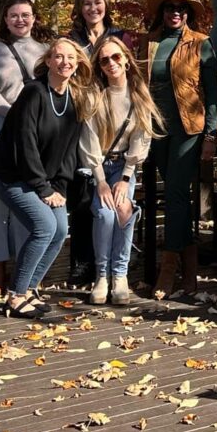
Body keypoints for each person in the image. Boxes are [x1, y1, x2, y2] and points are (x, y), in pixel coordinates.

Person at [0, 38, 95, 318]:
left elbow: (69, 150)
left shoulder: (75, 98)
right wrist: (43, 189)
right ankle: (15, 296)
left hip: (42, 179)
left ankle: (30, 289)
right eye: (58, 56)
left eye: (71, 57)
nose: (65, 62)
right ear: (48, 61)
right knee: (44, 226)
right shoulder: (34, 92)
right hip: (9, 173)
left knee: (60, 230)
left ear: (78, 63)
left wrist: (60, 187)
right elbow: (25, 143)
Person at [137, 0, 217, 298]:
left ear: (188, 14)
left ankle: (168, 270)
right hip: (155, 128)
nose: (175, 12)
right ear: (162, 11)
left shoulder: (202, 43)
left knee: (174, 192)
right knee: (177, 199)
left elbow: (212, 94)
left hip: (189, 128)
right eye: (170, 7)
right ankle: (190, 269)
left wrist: (210, 134)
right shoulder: (148, 43)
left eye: (181, 8)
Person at [0, 0, 54, 294]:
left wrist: (30, 120)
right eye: (14, 15)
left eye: (26, 15)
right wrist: (12, 112)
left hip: (31, 131)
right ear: (5, 20)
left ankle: (25, 265)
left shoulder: (45, 50)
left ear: (34, 18)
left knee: (28, 194)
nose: (20, 20)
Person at [82, 34, 160, 305]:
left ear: (126, 60)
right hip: (98, 165)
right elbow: (89, 140)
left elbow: (141, 138)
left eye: (116, 57)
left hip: (124, 165)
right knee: (105, 215)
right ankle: (102, 275)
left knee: (124, 210)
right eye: (104, 60)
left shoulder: (138, 95)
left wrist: (126, 178)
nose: (111, 63)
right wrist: (101, 181)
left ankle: (120, 274)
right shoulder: (95, 96)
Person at [63, 0, 128, 286]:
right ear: (80, 8)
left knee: (112, 199)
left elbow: (128, 76)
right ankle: (82, 262)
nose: (93, 8)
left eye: (97, 2)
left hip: (112, 122)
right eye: (87, 3)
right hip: (79, 117)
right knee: (82, 193)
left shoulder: (119, 37)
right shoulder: (71, 40)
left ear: (106, 5)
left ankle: (115, 263)